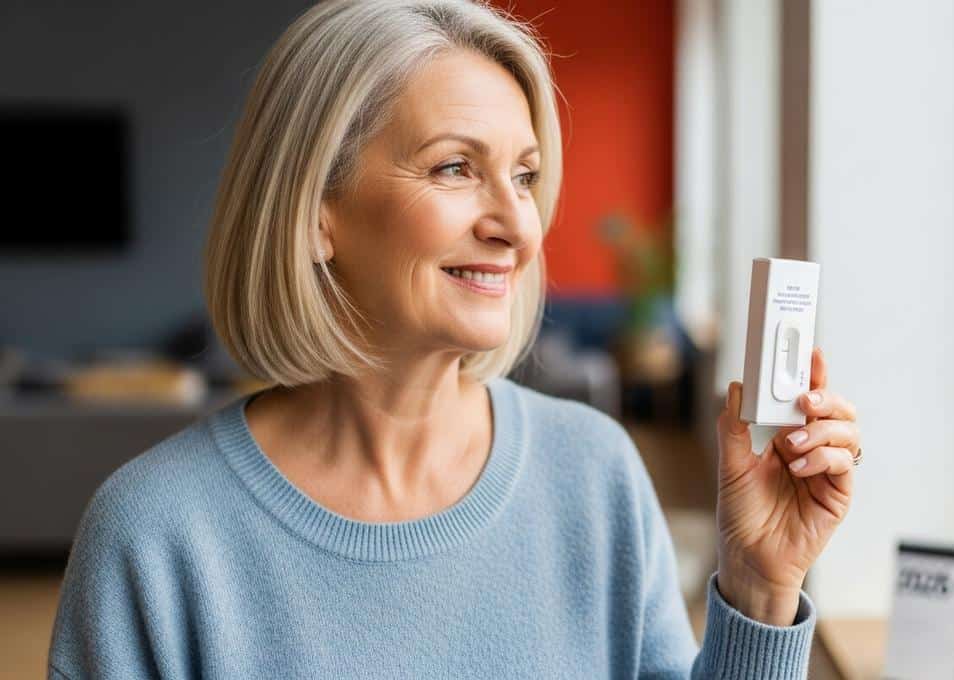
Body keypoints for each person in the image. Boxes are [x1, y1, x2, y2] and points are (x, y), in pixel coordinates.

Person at [47, 1, 862, 678]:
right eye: (454, 168)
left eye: (525, 176)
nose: (518, 226)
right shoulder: (154, 534)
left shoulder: (595, 474)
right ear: (316, 213)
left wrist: (760, 586)